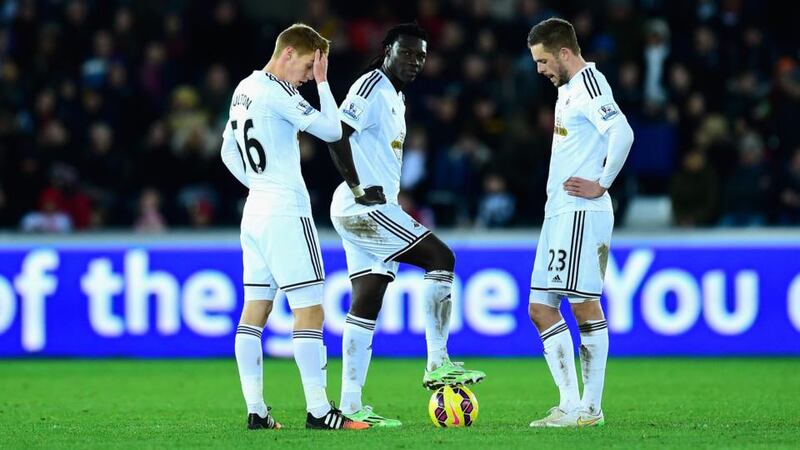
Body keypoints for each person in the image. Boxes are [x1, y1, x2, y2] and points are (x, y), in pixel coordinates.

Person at [326, 23, 486, 427]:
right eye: (408, 52)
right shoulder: (371, 86)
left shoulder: (396, 98)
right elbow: (335, 134)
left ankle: (350, 405)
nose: (415, 61)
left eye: (421, 55)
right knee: (441, 257)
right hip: (361, 206)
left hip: (364, 208)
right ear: (387, 51)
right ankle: (438, 363)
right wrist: (358, 186)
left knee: (367, 300)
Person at [220, 23, 369, 431]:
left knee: (255, 310)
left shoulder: (244, 88)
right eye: (307, 66)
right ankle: (320, 412)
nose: (307, 75)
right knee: (310, 311)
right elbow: (332, 130)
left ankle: (256, 410)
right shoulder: (278, 92)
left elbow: (227, 149)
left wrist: (259, 184)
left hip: (255, 212)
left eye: (312, 71)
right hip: (285, 211)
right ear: (288, 54)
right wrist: (323, 83)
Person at [525, 18, 634, 428]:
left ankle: (590, 408)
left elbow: (622, 133)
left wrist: (602, 183)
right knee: (540, 308)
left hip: (581, 214)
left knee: (584, 305)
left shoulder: (589, 85)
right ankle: (569, 405)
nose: (540, 70)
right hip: (558, 215)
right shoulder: (568, 90)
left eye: (543, 61)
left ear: (565, 53)